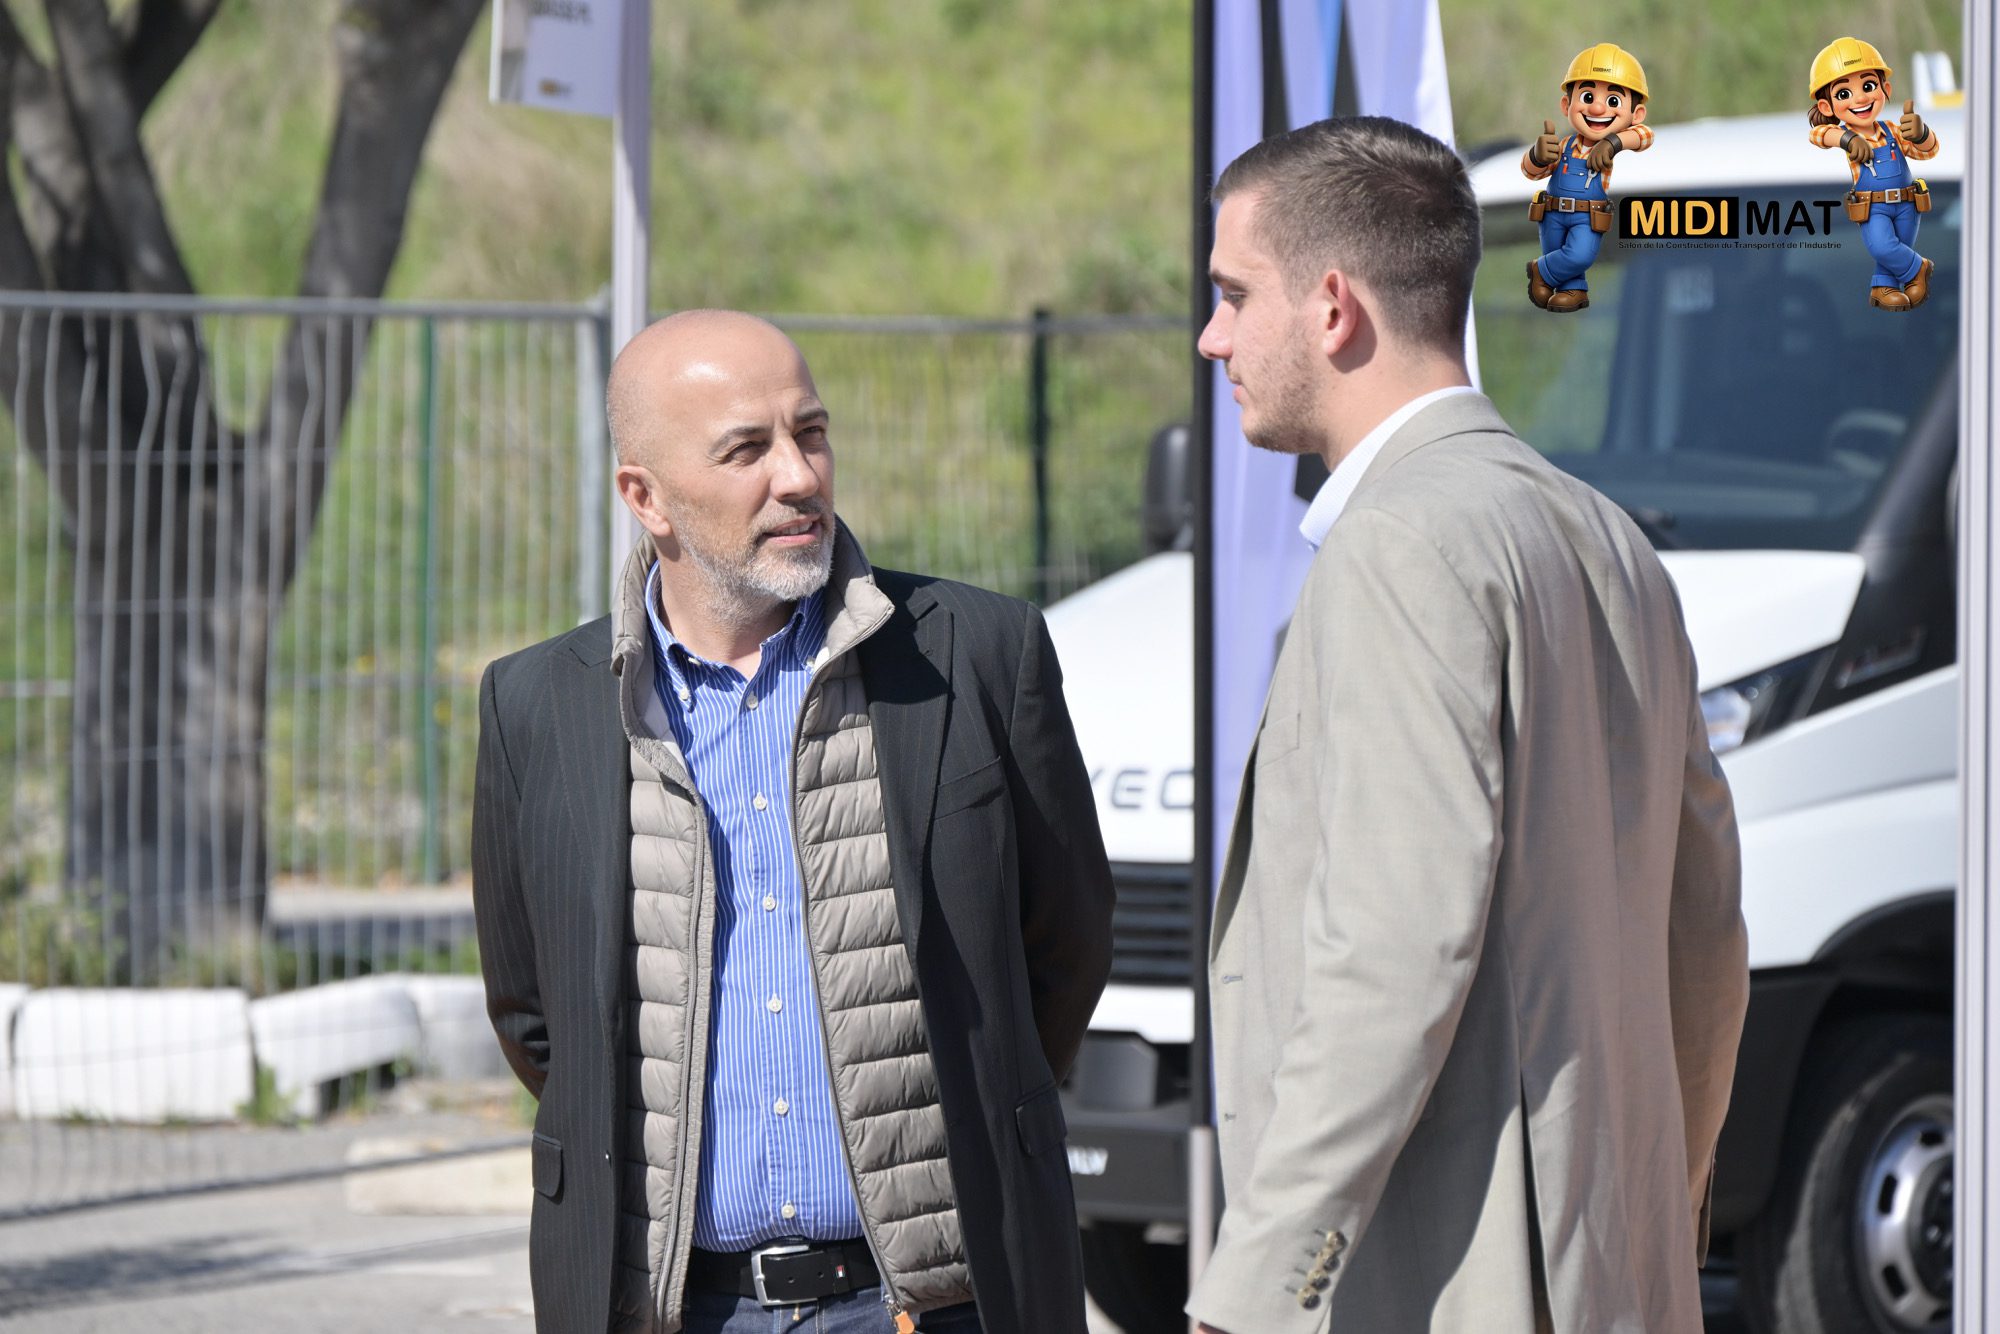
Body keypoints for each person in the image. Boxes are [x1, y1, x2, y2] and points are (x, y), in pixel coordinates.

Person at [1187, 117, 1749, 1333]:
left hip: (1446, 1279)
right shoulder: (1608, 537)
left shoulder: (1398, 544)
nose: (1210, 337)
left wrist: (1254, 1291)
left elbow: (1391, 950)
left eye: (1232, 295)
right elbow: (1704, 929)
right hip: (1610, 1265)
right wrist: (1653, 1206)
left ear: (1331, 307)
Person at [471, 309, 1114, 1334]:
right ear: (645, 497)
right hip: (673, 1307)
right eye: (745, 450)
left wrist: (980, 1105)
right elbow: (537, 1018)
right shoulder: (539, 705)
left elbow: (1064, 946)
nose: (798, 475)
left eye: (809, 432)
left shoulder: (976, 656)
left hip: (934, 1300)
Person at [1806, 37, 1940, 311]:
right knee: (1882, 246)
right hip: (1873, 206)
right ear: (1826, 107)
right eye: (1844, 93)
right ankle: (1918, 267)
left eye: (1868, 86)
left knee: (1897, 248)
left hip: (1908, 203)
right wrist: (1846, 139)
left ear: (1884, 89)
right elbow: (1818, 134)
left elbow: (1927, 152)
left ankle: (1883, 287)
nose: (1860, 98)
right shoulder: (1841, 133)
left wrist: (1921, 134)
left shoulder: (1893, 129)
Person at [1520, 42, 1654, 313]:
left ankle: (1541, 271)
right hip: (1551, 214)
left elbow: (1645, 136)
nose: (1597, 109)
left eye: (1613, 101)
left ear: (1636, 114)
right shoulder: (1563, 145)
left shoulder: (1617, 144)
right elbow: (1531, 173)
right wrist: (1537, 155)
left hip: (1586, 215)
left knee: (1580, 254)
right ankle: (1574, 290)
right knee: (1560, 255)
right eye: (1588, 97)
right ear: (1566, 104)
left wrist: (1614, 142)